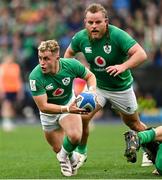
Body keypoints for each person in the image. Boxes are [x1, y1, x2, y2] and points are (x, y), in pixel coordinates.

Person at [64, 3, 148, 168]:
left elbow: (141, 54)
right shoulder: (80, 37)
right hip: (98, 87)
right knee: (83, 117)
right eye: (90, 23)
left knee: (134, 124)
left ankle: (149, 148)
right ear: (85, 23)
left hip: (121, 88)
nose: (94, 26)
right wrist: (80, 71)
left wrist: (122, 66)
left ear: (106, 22)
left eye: (97, 22)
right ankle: (81, 152)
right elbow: (68, 55)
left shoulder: (118, 35)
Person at [28, 39, 96, 177]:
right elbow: (43, 106)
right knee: (58, 148)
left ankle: (63, 158)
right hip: (48, 113)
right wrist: (66, 109)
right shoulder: (35, 76)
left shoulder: (71, 65)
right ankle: (70, 158)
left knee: (75, 137)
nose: (42, 62)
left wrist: (92, 91)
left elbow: (90, 76)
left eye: (46, 58)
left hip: (68, 103)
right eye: (40, 58)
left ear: (57, 58)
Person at [0, 55, 24, 132]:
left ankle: (10, 121)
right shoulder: (3, 67)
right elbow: (1, 79)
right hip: (6, 89)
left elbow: (18, 79)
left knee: (12, 106)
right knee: (6, 105)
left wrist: (20, 91)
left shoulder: (15, 67)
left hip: (14, 89)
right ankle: (5, 121)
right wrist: (2, 90)